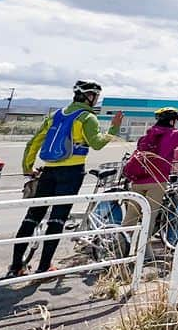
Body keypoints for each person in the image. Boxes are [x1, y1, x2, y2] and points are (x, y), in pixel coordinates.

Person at [8, 80, 121, 278]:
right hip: (71, 172)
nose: (96, 100)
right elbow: (97, 144)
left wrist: (28, 168)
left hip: (47, 171)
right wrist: (113, 130)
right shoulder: (87, 117)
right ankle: (44, 267)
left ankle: (16, 265)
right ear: (90, 96)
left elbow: (33, 142)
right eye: (96, 96)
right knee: (57, 219)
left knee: (32, 217)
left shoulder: (56, 115)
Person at [121, 106, 178, 230]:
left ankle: (121, 245)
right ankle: (143, 249)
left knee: (131, 217)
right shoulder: (173, 134)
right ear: (172, 121)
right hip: (157, 182)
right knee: (149, 217)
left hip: (137, 181)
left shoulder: (146, 136)